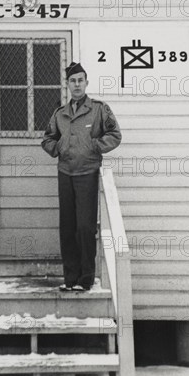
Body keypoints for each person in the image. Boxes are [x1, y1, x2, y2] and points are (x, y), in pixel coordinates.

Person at [41, 62, 122, 292]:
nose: (76, 84)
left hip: (87, 172)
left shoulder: (99, 109)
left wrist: (94, 146)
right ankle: (70, 279)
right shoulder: (60, 114)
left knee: (85, 227)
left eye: (80, 80)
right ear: (67, 85)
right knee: (67, 227)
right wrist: (59, 149)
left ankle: (85, 279)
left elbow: (115, 135)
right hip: (65, 173)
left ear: (86, 82)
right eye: (72, 81)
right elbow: (47, 138)